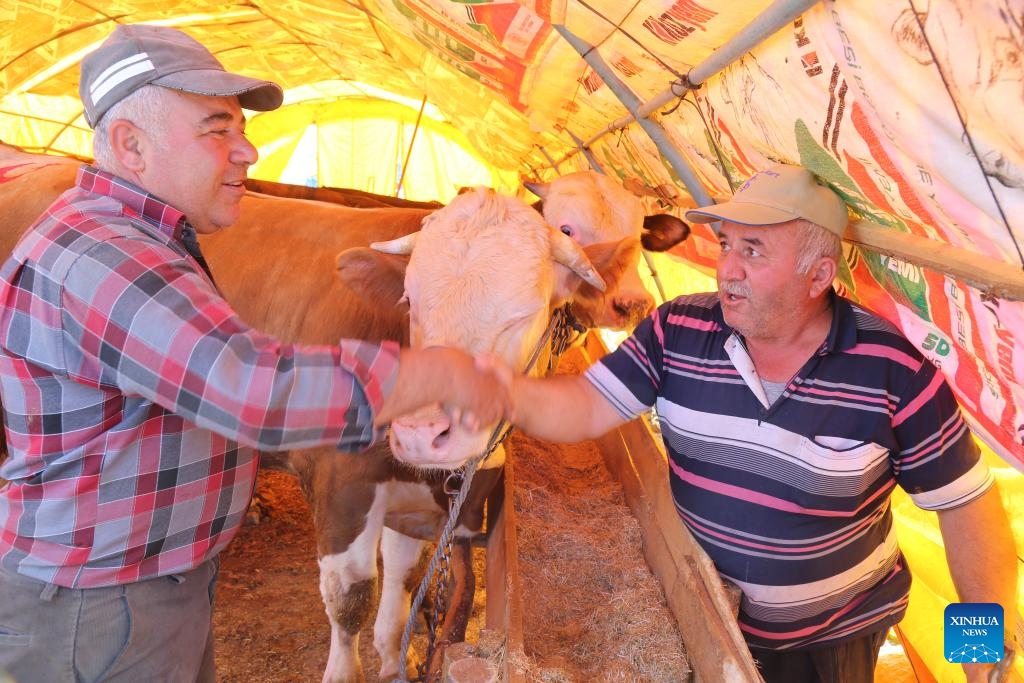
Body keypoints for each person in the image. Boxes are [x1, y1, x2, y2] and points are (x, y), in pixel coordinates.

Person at [0, 24, 508, 683]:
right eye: (218, 129)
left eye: (241, 128)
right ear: (130, 144)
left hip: (137, 586)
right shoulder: (109, 257)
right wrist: (438, 372)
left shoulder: (143, 241)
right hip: (99, 606)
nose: (249, 150)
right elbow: (255, 391)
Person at [500, 163, 1018, 682]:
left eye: (753, 251)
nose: (726, 268)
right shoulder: (678, 330)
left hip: (833, 636)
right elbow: (586, 404)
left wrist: (981, 657)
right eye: (725, 245)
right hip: (703, 611)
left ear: (818, 275)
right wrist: (492, 393)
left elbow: (966, 505)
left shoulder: (892, 371)